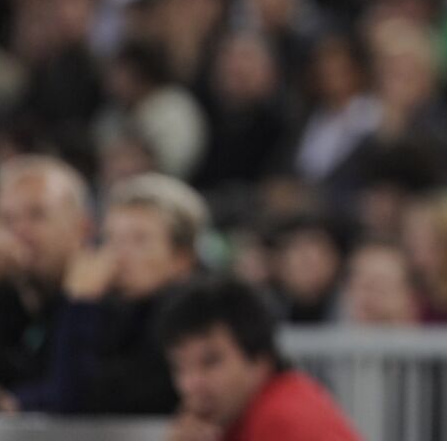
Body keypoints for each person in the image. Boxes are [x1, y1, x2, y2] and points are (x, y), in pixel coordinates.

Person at [22, 173, 208, 414]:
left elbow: (81, 398)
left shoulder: (193, 320)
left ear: (182, 258)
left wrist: (80, 304)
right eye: (112, 238)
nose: (118, 255)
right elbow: (49, 379)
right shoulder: (118, 309)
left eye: (139, 240)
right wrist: (15, 400)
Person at [0, 155, 93, 410]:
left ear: (82, 228)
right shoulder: (5, 293)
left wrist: (77, 303)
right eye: (7, 220)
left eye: (37, 215)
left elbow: (65, 387)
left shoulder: (103, 299)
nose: (19, 230)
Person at [160, 275, 362, 441]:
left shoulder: (282, 420)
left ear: (259, 360)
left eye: (210, 362)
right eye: (180, 367)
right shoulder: (247, 416)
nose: (191, 384)